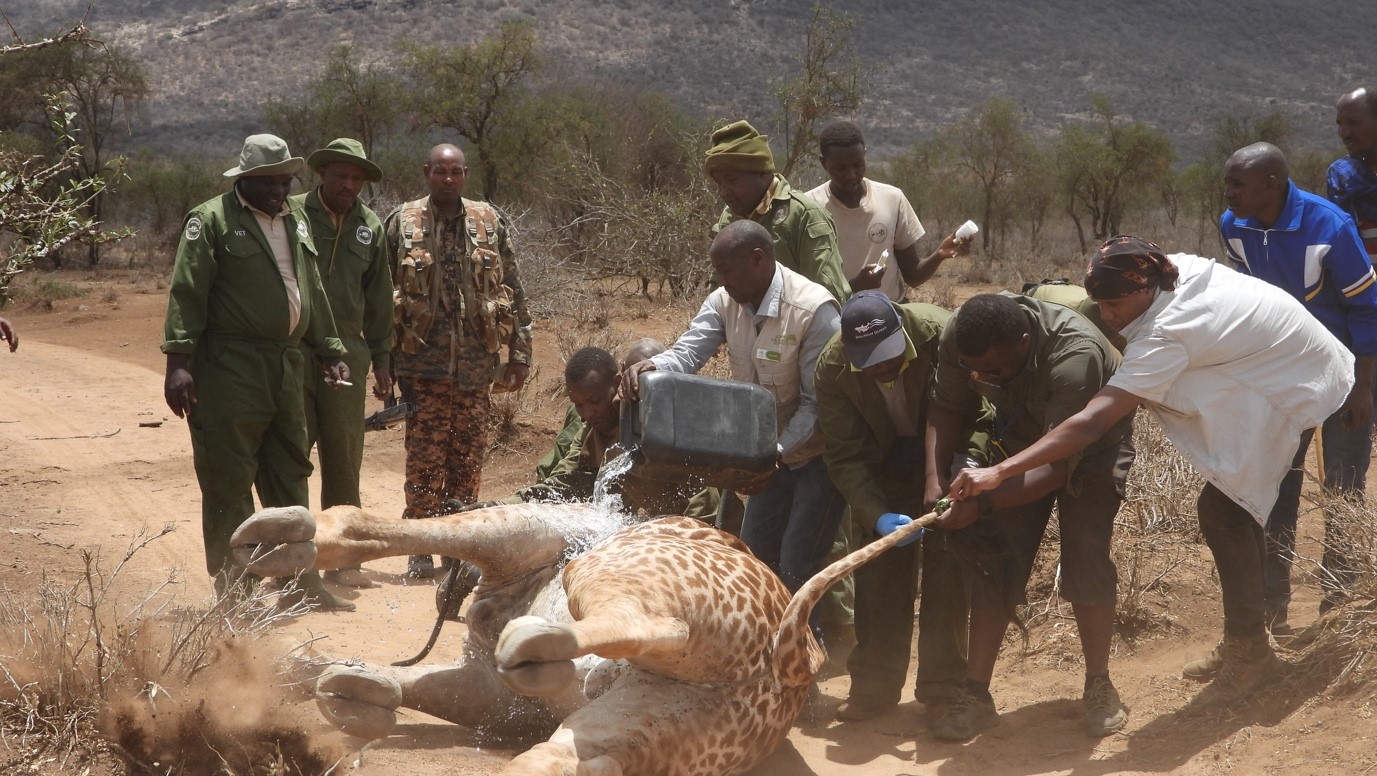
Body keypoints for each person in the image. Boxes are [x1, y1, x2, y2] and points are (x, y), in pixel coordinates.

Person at [947, 236, 1353, 710]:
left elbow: (1093, 420)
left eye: (1115, 304)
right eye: (1101, 303)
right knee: (1232, 508)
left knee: (1225, 513)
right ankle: (1246, 639)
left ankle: (1249, 654)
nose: (1109, 315)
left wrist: (998, 473)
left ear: (1144, 288)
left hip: (1292, 382)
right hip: (1266, 364)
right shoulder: (1169, 271)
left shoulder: (1169, 331)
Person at [925, 291, 1132, 740]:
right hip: (1019, 436)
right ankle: (976, 694)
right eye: (973, 368)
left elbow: (1058, 464)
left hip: (1090, 448)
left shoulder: (1075, 356)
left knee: (1085, 557)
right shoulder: (964, 333)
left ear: (1023, 341)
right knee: (998, 559)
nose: (979, 377)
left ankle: (1099, 684)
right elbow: (946, 405)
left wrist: (984, 498)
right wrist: (934, 483)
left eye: (992, 371)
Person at [161, 133, 353, 610]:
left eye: (285, 181)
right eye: (268, 182)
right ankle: (236, 591)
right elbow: (187, 292)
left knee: (290, 472)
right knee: (229, 479)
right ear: (244, 179)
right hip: (230, 367)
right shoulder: (210, 222)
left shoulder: (297, 220)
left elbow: (309, 289)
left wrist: (328, 348)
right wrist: (178, 363)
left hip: (287, 364)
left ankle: (298, 586)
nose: (278, 190)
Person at [621, 220, 845, 628]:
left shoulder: (814, 311)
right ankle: (765, 660)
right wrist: (654, 367)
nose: (721, 281)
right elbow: (688, 353)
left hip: (816, 457)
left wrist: (769, 455)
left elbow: (820, 407)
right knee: (755, 557)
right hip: (762, 458)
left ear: (758, 260)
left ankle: (808, 663)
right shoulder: (725, 301)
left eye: (726, 270)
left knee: (799, 559)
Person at [1220, 142, 1377, 627]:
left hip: (1345, 371)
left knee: (1343, 486)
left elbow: (1367, 309)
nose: (1228, 194)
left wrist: (1362, 386)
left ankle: (1338, 610)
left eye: (1237, 184)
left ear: (1272, 183)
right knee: (1275, 487)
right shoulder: (1234, 226)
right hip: (1282, 378)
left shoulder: (1328, 225)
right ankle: (1271, 612)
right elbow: (1245, 300)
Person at [814, 290, 976, 721]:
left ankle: (943, 691)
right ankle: (873, 688)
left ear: (903, 328)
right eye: (872, 361)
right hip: (881, 468)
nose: (883, 366)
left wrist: (958, 476)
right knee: (879, 578)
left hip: (948, 462)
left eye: (890, 354)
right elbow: (844, 455)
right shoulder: (832, 369)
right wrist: (875, 515)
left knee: (947, 573)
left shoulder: (943, 334)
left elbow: (981, 412)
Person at [386, 143, 533, 580]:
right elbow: (376, 297)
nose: (447, 179)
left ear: (466, 174)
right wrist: (381, 365)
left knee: (467, 460)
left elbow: (515, 289)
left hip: (476, 368)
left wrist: (519, 354)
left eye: (455, 172)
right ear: (426, 172)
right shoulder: (403, 223)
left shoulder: (489, 222)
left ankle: (460, 547)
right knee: (425, 457)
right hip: (421, 365)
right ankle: (420, 546)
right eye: (439, 172)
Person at [290, 138, 395, 590]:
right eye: (341, 176)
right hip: (295, 351)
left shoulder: (369, 226)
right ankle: (291, 556)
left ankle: (342, 558)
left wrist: (383, 359)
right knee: (290, 455)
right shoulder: (290, 215)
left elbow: (378, 301)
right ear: (323, 175)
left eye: (356, 178)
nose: (348, 184)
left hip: (349, 358)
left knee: (344, 455)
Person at [508, 346, 717, 518]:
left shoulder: (655, 421)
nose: (587, 413)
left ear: (617, 384)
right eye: (578, 405)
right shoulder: (592, 426)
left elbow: (702, 495)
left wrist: (684, 539)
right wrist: (508, 505)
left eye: (594, 401)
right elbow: (565, 479)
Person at [806, 120, 966, 300]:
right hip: (837, 319)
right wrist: (854, 287)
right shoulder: (809, 208)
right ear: (823, 163)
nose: (851, 174)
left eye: (858, 164)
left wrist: (939, 255)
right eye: (841, 168)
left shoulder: (892, 199)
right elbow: (805, 288)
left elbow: (913, 276)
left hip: (891, 314)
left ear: (865, 155)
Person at [705, 120, 851, 303]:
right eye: (719, 183)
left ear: (762, 172)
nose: (724, 191)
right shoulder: (729, 217)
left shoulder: (804, 215)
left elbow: (829, 296)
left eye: (732, 180)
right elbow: (718, 290)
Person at [1329, 87, 1377, 262]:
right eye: (1340, 124)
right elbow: (1343, 242)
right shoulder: (1342, 176)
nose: (1344, 133)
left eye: (1353, 123)